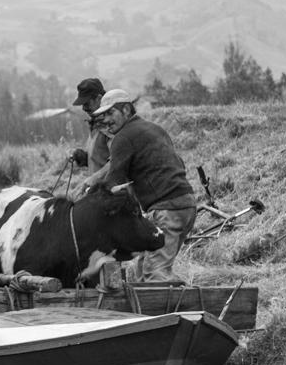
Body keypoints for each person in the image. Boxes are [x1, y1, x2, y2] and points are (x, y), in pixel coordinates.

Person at [92, 88, 198, 282]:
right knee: (142, 271)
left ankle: (181, 308)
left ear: (126, 110)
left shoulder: (122, 138)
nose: (106, 120)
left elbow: (113, 181)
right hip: (186, 205)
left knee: (155, 275)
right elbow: (177, 164)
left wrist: (91, 207)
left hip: (167, 209)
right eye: (103, 115)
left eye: (110, 113)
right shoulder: (155, 129)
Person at [68, 78, 112, 187]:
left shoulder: (111, 126)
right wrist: (83, 157)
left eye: (86, 103)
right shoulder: (95, 124)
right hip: (97, 190)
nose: (84, 108)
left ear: (99, 99)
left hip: (111, 193)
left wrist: (95, 178)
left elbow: (118, 160)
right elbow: (100, 159)